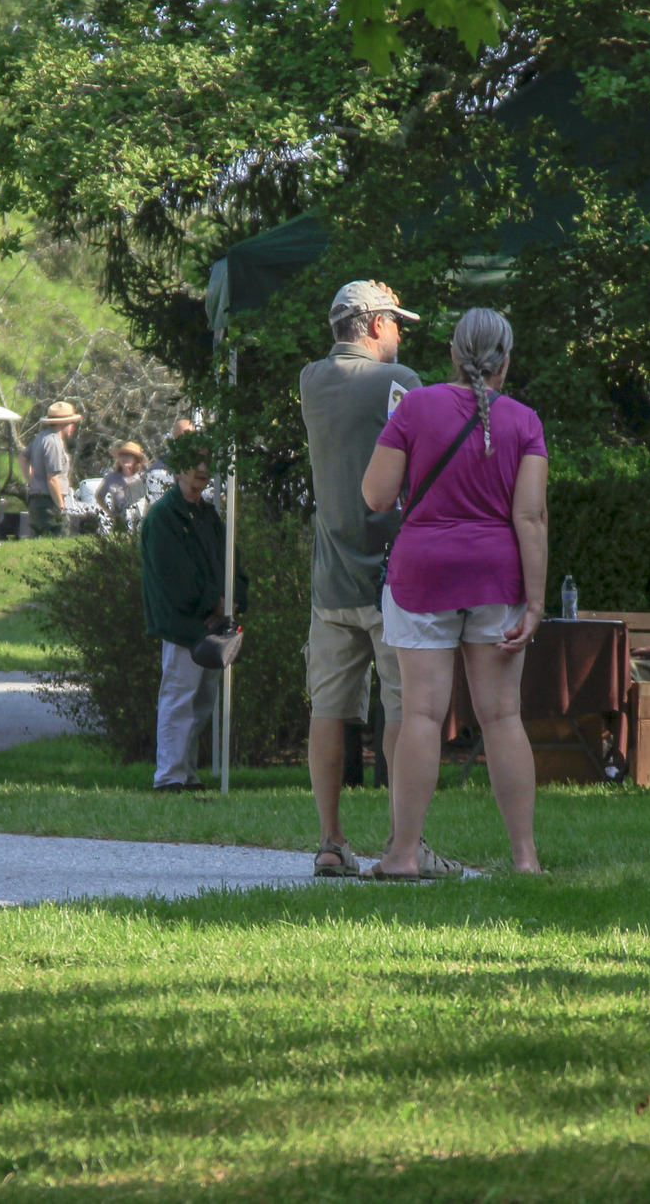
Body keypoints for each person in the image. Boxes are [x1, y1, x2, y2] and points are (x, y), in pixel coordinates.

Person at [361, 307, 548, 878]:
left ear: (452, 354)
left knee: (420, 713)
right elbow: (531, 517)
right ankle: (525, 858)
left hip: (423, 574)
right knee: (501, 717)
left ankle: (402, 855)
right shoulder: (524, 422)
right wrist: (536, 603)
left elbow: (375, 496)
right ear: (506, 361)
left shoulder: (414, 408)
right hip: (497, 577)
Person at [298, 280, 423, 876]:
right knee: (400, 709)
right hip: (392, 577)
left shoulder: (309, 381)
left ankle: (330, 841)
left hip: (330, 579)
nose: (400, 333)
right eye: (396, 322)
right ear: (374, 326)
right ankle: (404, 844)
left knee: (329, 709)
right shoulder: (402, 384)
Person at [141, 436, 248, 791]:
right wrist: (213, 603)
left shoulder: (207, 515)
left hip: (214, 629)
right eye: (195, 462)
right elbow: (175, 578)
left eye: (207, 461)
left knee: (202, 704)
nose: (202, 470)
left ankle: (186, 773)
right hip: (181, 628)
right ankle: (169, 777)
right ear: (178, 469)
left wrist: (233, 601)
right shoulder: (163, 518)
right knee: (178, 700)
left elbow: (232, 565)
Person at [25, 400, 82, 537]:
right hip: (49, 501)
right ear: (63, 424)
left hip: (36, 499)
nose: (72, 427)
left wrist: (31, 482)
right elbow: (53, 478)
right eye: (71, 423)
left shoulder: (41, 437)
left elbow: (22, 458)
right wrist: (61, 508)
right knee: (59, 535)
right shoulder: (54, 442)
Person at [99, 440, 149, 528]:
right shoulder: (111, 477)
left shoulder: (144, 478)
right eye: (121, 455)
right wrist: (110, 513)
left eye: (128, 455)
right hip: (119, 524)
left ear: (136, 459)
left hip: (139, 523)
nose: (124, 458)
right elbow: (99, 496)